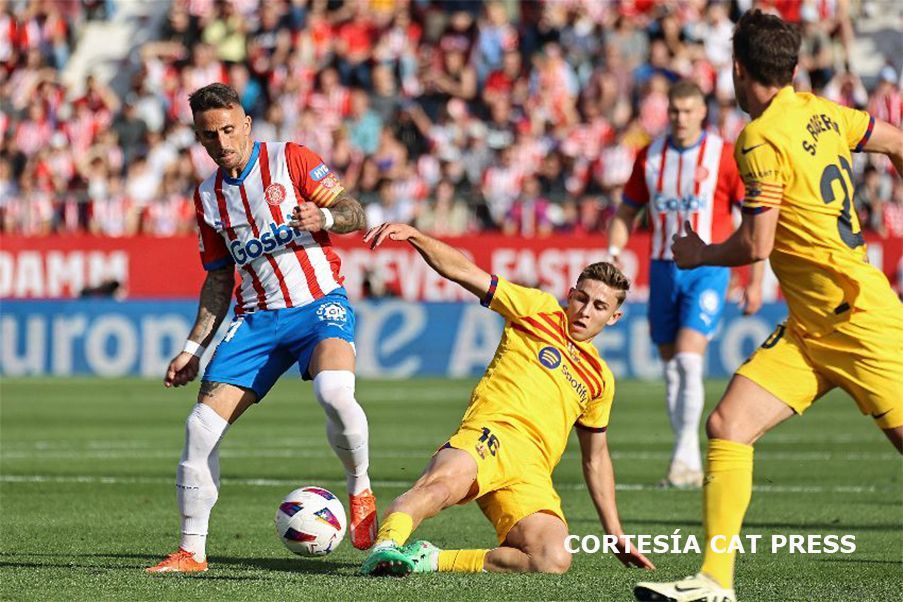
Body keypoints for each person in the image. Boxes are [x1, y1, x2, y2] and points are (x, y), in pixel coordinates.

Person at [635, 10, 903, 602]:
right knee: (728, 425)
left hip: (860, 323)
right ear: (791, 66)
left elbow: (756, 243)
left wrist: (699, 251)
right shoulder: (820, 111)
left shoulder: (757, 139)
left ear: (737, 70)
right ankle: (715, 581)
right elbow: (897, 143)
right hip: (811, 327)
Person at [147, 83, 376, 573]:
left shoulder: (290, 159)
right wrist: (192, 347)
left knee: (334, 394)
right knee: (199, 428)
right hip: (255, 321)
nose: (222, 142)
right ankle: (192, 551)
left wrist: (327, 215)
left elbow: (356, 213)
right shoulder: (207, 196)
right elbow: (219, 277)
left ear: (246, 124)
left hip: (317, 303)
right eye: (210, 135)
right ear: (199, 137)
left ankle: (360, 485)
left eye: (229, 129)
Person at [358, 222, 655, 577]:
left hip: (531, 474)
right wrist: (417, 236)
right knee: (438, 489)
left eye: (600, 306)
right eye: (582, 298)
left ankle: (430, 559)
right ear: (570, 293)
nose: (586, 311)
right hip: (489, 437)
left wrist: (615, 532)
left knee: (551, 558)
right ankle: (386, 545)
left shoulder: (600, 379)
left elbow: (597, 458)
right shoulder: (538, 310)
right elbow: (466, 272)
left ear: (614, 317)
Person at [608, 80, 764, 488]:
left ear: (702, 113)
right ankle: (684, 454)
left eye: (688, 111)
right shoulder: (650, 156)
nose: (679, 119)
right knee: (672, 368)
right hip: (662, 268)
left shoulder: (723, 156)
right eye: (674, 112)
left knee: (689, 359)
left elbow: (753, 221)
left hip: (709, 268)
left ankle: (686, 458)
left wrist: (755, 278)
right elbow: (627, 211)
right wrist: (615, 249)